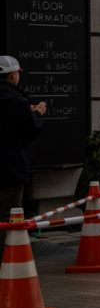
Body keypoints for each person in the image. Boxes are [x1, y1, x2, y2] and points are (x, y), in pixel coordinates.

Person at [0, 56, 45, 214]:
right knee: (9, 214)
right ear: (12, 75)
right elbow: (31, 129)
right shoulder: (16, 100)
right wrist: (37, 114)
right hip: (10, 168)